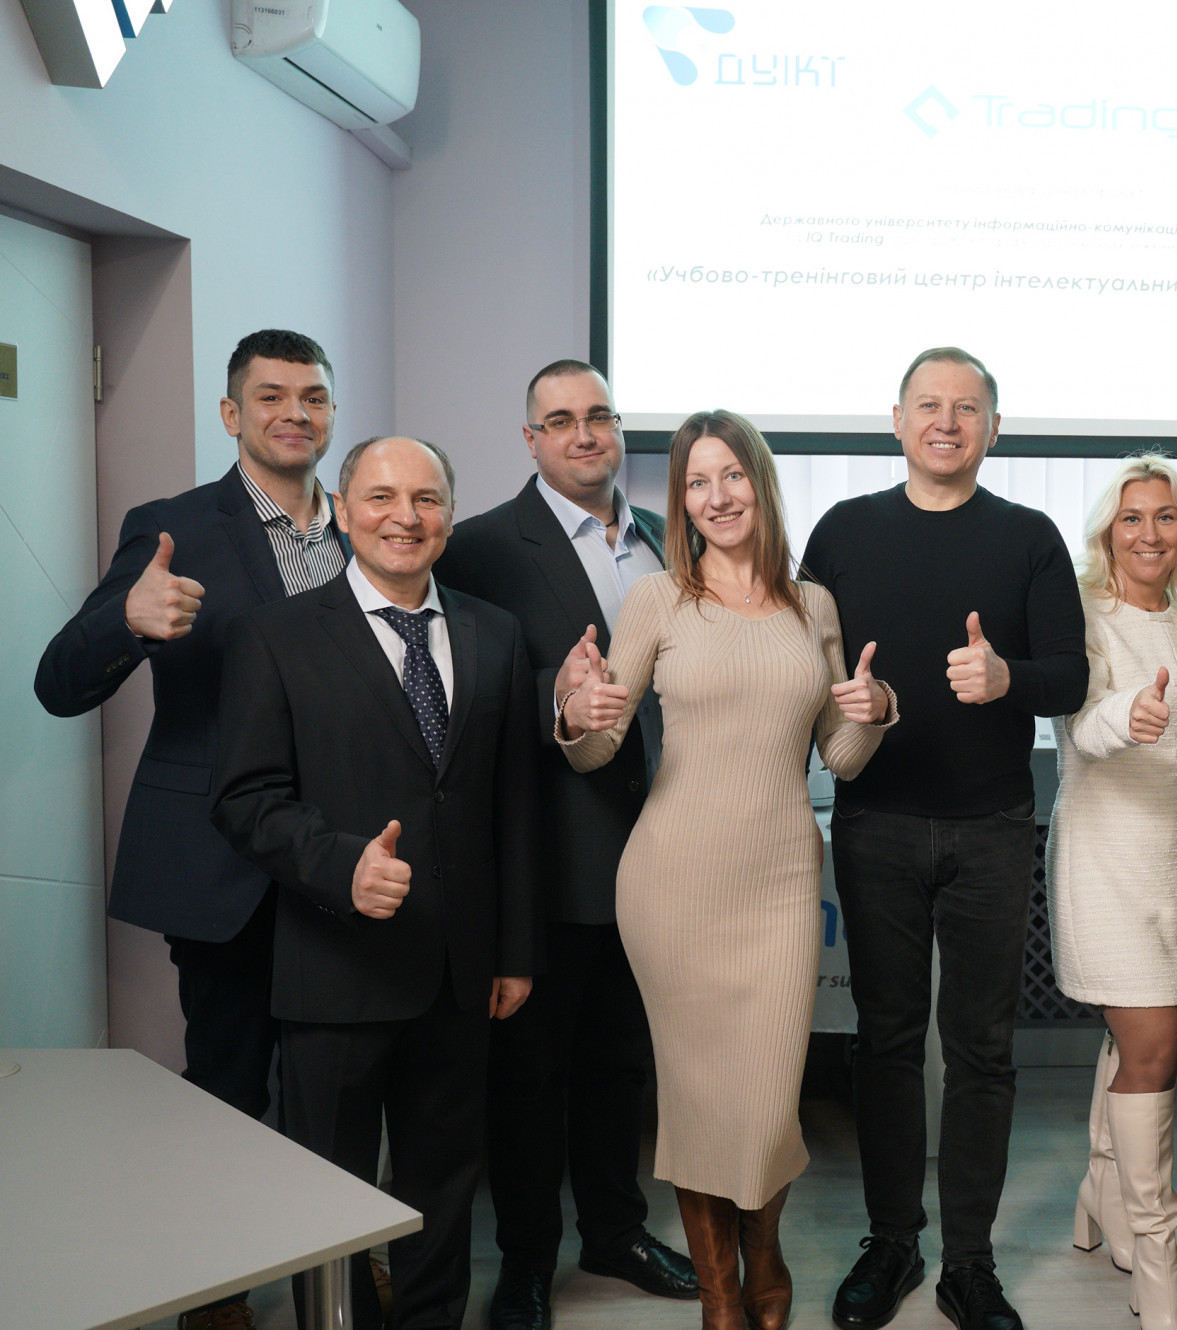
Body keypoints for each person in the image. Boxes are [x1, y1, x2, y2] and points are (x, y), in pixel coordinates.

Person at [34, 328, 347, 1330]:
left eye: (312, 396)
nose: (294, 413)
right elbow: (58, 681)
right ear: (230, 414)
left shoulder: (367, 527)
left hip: (342, 862)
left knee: (339, 1087)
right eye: (271, 396)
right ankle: (217, 1291)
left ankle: (339, 1268)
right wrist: (127, 620)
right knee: (228, 1084)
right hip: (223, 864)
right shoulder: (171, 528)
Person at [558, 409, 894, 1330]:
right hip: (671, 883)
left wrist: (876, 707)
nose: (717, 496)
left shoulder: (813, 607)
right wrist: (576, 710)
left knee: (769, 1093)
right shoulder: (657, 601)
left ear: (761, 483)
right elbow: (600, 746)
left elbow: (843, 756)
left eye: (732, 475)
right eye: (697, 482)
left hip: (781, 882)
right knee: (699, 1095)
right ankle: (720, 1291)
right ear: (682, 502)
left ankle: (765, 1248)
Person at [211, 436, 539, 1329]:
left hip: (460, 974)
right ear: (345, 511)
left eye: (427, 499)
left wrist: (514, 951)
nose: (406, 517)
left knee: (444, 1185)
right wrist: (339, 863)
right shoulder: (275, 636)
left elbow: (513, 805)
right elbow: (243, 799)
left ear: (450, 517)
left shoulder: (495, 632)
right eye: (383, 497)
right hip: (334, 968)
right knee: (330, 1195)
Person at [801, 348, 1087, 1330]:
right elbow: (803, 664)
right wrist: (847, 700)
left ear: (993, 429)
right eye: (929, 404)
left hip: (993, 829)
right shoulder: (841, 531)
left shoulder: (1029, 536)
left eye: (967, 408)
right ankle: (890, 1243)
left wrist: (1007, 679)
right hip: (874, 822)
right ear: (897, 419)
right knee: (883, 1042)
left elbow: (1070, 676)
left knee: (981, 1051)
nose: (946, 421)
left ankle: (969, 1262)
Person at [432, 360, 695, 1329]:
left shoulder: (667, 539)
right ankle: (528, 1262)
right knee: (532, 1076)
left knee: (623, 1062)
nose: (584, 434)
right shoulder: (478, 548)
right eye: (560, 420)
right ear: (530, 439)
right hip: (544, 857)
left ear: (618, 429)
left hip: (657, 851)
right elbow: (455, 687)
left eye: (599, 416)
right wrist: (555, 692)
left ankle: (615, 1232)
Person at [1047, 457, 1177, 1330]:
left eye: (1166, 517)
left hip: (1170, 862)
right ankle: (1157, 1265)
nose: (1149, 533)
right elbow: (1079, 722)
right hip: (1104, 857)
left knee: (1134, 1038)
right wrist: (1127, 717)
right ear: (1106, 533)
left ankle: (1100, 1193)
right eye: (1131, 518)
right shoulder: (1082, 613)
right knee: (1154, 1042)